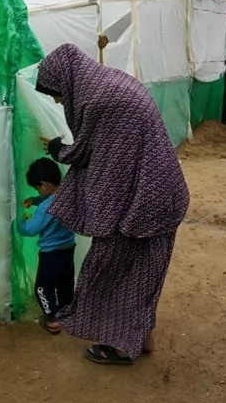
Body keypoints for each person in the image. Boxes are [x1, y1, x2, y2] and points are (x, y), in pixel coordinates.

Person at [35, 44, 190, 365]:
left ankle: (120, 347)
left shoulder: (98, 101)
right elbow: (101, 149)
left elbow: (93, 157)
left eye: (56, 95)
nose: (57, 101)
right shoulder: (111, 82)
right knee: (144, 272)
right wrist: (60, 149)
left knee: (109, 271)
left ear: (68, 82)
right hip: (162, 193)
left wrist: (57, 148)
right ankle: (141, 335)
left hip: (143, 204)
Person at [18, 157, 77, 335]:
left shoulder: (46, 208)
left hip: (50, 255)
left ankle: (51, 320)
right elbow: (49, 199)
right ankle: (67, 313)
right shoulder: (68, 195)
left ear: (44, 184)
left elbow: (29, 230)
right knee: (65, 283)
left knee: (43, 287)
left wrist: (21, 220)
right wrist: (36, 200)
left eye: (37, 188)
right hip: (68, 250)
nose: (37, 190)